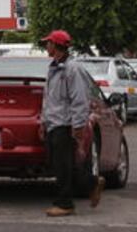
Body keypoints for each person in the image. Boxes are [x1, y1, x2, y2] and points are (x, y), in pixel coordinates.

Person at [39, 30, 104, 217]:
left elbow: (79, 100)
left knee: (63, 166)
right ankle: (91, 183)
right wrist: (44, 121)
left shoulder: (72, 70)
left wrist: (78, 127)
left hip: (65, 125)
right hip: (54, 123)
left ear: (56, 46)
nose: (46, 47)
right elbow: (48, 99)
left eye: (48, 43)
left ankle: (65, 203)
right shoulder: (53, 68)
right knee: (60, 164)